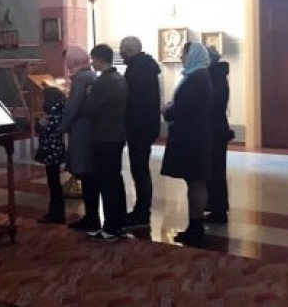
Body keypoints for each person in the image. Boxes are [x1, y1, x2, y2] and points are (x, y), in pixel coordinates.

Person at [161, 42, 214, 246]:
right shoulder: (196, 77)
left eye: (184, 53)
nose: (181, 57)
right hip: (194, 135)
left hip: (193, 137)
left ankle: (196, 226)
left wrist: (168, 111)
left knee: (195, 180)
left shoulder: (196, 80)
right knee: (194, 180)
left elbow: (185, 109)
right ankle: (195, 224)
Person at [81, 44, 128, 242]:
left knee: (107, 182)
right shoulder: (119, 78)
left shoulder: (104, 82)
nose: (92, 63)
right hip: (117, 135)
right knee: (115, 180)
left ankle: (110, 227)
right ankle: (119, 223)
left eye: (93, 59)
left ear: (100, 59)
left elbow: (89, 109)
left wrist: (87, 95)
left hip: (104, 136)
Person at [119, 36, 162, 229]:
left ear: (129, 50)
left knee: (140, 170)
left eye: (122, 50)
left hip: (140, 126)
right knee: (140, 169)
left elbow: (134, 99)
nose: (120, 54)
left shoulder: (139, 69)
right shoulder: (145, 66)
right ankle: (140, 210)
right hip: (145, 125)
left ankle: (142, 212)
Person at [60, 46, 99, 231]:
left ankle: (91, 217)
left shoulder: (80, 78)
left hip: (82, 131)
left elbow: (73, 105)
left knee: (85, 174)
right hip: (92, 129)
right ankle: (93, 215)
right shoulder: (91, 75)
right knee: (90, 174)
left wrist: (62, 126)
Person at [204, 46, 235, 224]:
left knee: (215, 171)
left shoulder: (213, 77)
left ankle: (218, 210)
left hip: (214, 130)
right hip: (217, 128)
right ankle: (215, 208)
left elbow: (211, 105)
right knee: (214, 170)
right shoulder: (217, 75)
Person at [35, 86, 67, 224]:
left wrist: (40, 123)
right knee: (53, 182)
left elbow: (49, 128)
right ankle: (56, 212)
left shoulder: (54, 110)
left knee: (53, 182)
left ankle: (56, 213)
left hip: (51, 148)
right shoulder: (60, 108)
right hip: (55, 147)